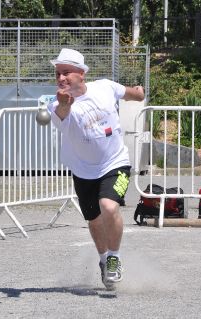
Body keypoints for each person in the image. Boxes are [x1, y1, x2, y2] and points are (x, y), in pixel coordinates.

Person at [47, 48, 145, 289]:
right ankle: (103, 260)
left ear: (81, 74)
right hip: (83, 171)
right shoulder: (57, 104)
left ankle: (114, 258)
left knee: (108, 206)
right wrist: (63, 105)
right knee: (93, 221)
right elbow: (61, 115)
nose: (61, 78)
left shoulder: (104, 87)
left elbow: (132, 94)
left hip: (116, 162)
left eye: (66, 72)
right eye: (58, 73)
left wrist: (138, 93)